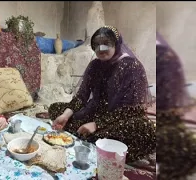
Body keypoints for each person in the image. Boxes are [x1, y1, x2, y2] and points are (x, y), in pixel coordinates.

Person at [49, 26, 156, 162]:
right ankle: (97, 140)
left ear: (116, 44)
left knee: (145, 130)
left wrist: (96, 125)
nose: (101, 49)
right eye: (96, 45)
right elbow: (82, 96)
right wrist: (65, 115)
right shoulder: (95, 65)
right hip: (94, 111)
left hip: (121, 119)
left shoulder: (132, 66)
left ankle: (94, 137)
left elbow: (132, 109)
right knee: (55, 108)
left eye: (106, 44)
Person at [156, 32, 196, 179]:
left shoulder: (166, 58)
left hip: (163, 120)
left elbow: (130, 107)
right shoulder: (97, 65)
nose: (101, 50)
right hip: (101, 113)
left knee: (182, 146)